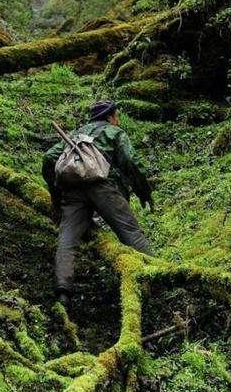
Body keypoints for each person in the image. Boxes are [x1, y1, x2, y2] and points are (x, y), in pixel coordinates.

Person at [43, 100, 154, 307]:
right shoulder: (113, 132)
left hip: (73, 191)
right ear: (111, 116)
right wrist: (144, 192)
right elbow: (131, 162)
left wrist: (56, 196)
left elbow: (49, 157)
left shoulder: (77, 133)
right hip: (104, 188)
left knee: (67, 239)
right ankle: (155, 275)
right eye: (116, 116)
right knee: (130, 232)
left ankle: (63, 291)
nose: (118, 120)